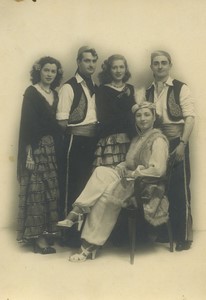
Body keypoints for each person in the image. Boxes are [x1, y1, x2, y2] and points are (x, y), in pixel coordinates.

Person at [62, 102, 169, 262]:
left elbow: (158, 170)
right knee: (101, 171)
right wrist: (121, 167)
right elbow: (129, 163)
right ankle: (77, 211)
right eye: (139, 115)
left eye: (147, 114)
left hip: (146, 187)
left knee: (106, 194)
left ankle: (89, 246)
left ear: (154, 117)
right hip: (132, 180)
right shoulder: (138, 138)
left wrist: (133, 172)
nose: (142, 119)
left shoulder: (158, 140)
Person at [146, 50, 195, 251]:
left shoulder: (180, 88)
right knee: (160, 188)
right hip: (156, 143)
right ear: (151, 67)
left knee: (179, 189)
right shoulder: (147, 91)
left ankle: (183, 235)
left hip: (176, 141)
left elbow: (190, 118)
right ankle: (166, 232)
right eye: (156, 63)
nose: (160, 66)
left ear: (170, 65)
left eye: (164, 63)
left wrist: (182, 144)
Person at [17, 56, 63, 254]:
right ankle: (37, 240)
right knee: (36, 190)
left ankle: (46, 233)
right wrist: (29, 154)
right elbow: (27, 126)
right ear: (39, 71)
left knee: (49, 190)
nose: (49, 74)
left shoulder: (55, 93)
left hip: (51, 148)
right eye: (46, 70)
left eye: (53, 71)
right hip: (36, 148)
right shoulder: (31, 92)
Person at [56, 46, 99, 245]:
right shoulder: (68, 87)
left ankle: (82, 234)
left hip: (92, 141)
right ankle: (68, 235)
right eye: (86, 60)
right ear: (78, 62)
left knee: (87, 188)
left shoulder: (94, 84)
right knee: (72, 186)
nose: (90, 64)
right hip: (75, 141)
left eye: (93, 61)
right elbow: (62, 122)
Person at [93, 54, 135, 168]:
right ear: (109, 70)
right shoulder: (102, 90)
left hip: (130, 140)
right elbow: (103, 117)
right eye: (114, 67)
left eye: (121, 67)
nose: (118, 71)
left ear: (126, 69)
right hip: (111, 141)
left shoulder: (131, 89)